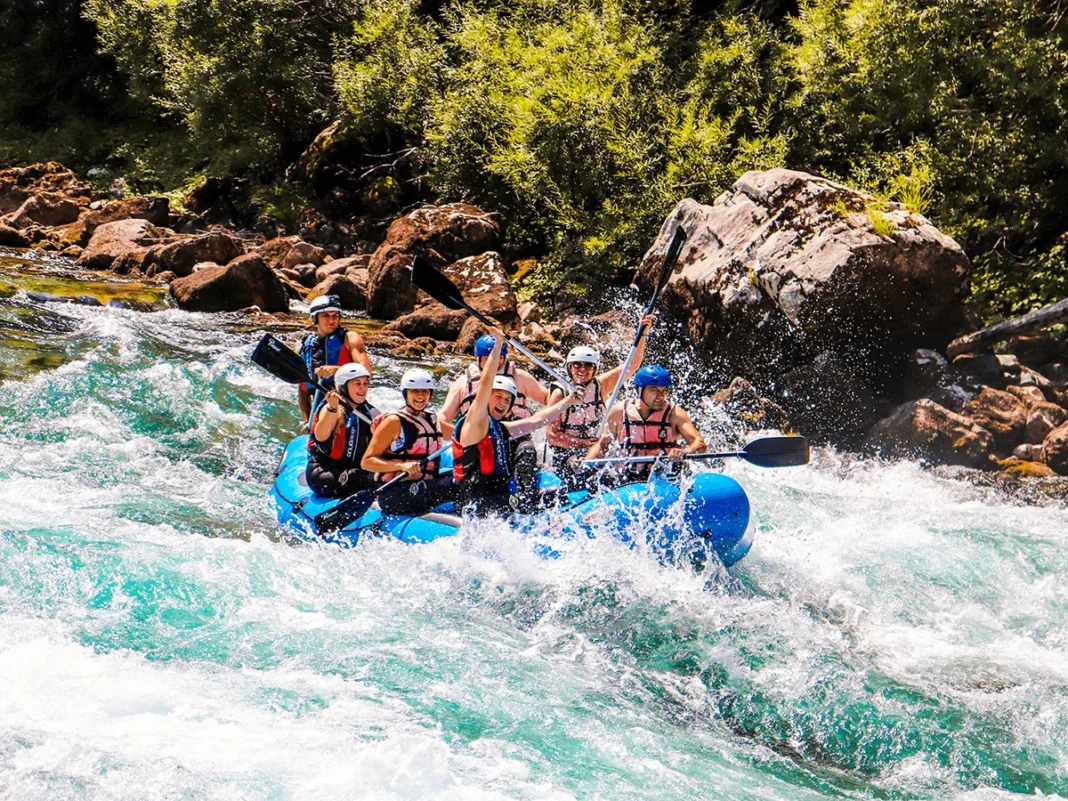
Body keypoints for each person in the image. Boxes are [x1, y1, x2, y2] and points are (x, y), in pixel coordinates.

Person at [453, 330, 578, 516]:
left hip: (498, 497)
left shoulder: (501, 428)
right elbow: (486, 382)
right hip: (474, 502)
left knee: (556, 497)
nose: (502, 403)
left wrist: (570, 401)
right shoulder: (475, 422)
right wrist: (498, 345)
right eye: (498, 397)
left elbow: (537, 420)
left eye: (507, 400)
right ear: (487, 398)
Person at [545, 313, 655, 488]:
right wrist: (582, 443)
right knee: (585, 471)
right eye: (577, 365)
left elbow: (632, 364)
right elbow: (552, 436)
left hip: (594, 451)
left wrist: (642, 332)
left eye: (588, 365)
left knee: (626, 466)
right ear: (569, 367)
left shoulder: (601, 385)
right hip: (566, 454)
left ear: (595, 368)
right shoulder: (559, 393)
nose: (582, 370)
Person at [440, 332, 550, 501]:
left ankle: (527, 496)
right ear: (477, 358)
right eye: (488, 358)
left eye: (500, 357)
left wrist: (568, 399)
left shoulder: (520, 377)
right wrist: (463, 432)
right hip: (481, 440)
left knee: (527, 450)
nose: (495, 362)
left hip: (516, 436)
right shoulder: (463, 384)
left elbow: (547, 399)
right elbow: (443, 417)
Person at [585, 365, 706, 481]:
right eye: (654, 390)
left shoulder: (674, 413)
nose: (661, 396)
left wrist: (685, 451)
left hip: (665, 475)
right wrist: (585, 464)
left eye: (664, 390)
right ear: (640, 390)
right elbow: (602, 445)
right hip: (628, 477)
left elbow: (699, 443)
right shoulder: (618, 412)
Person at [360, 369, 456, 516]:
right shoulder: (393, 421)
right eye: (415, 391)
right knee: (454, 485)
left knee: (466, 478)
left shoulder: (433, 420)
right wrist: (401, 466)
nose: (420, 395)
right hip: (396, 492)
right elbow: (366, 462)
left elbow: (462, 435)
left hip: (424, 484)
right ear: (405, 393)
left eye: (425, 391)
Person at [305, 363, 380, 498]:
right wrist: (332, 408)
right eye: (357, 383)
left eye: (365, 383)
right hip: (325, 472)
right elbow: (321, 436)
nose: (363, 388)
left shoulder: (370, 412)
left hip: (356, 469)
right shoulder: (332, 408)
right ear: (343, 387)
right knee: (370, 478)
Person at [298, 294, 371, 429]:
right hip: (319, 408)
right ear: (315, 318)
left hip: (347, 404)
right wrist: (307, 420)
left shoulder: (350, 338)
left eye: (335, 316)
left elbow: (366, 372)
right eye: (326, 316)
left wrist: (337, 370)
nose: (331, 320)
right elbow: (303, 389)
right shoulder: (304, 346)